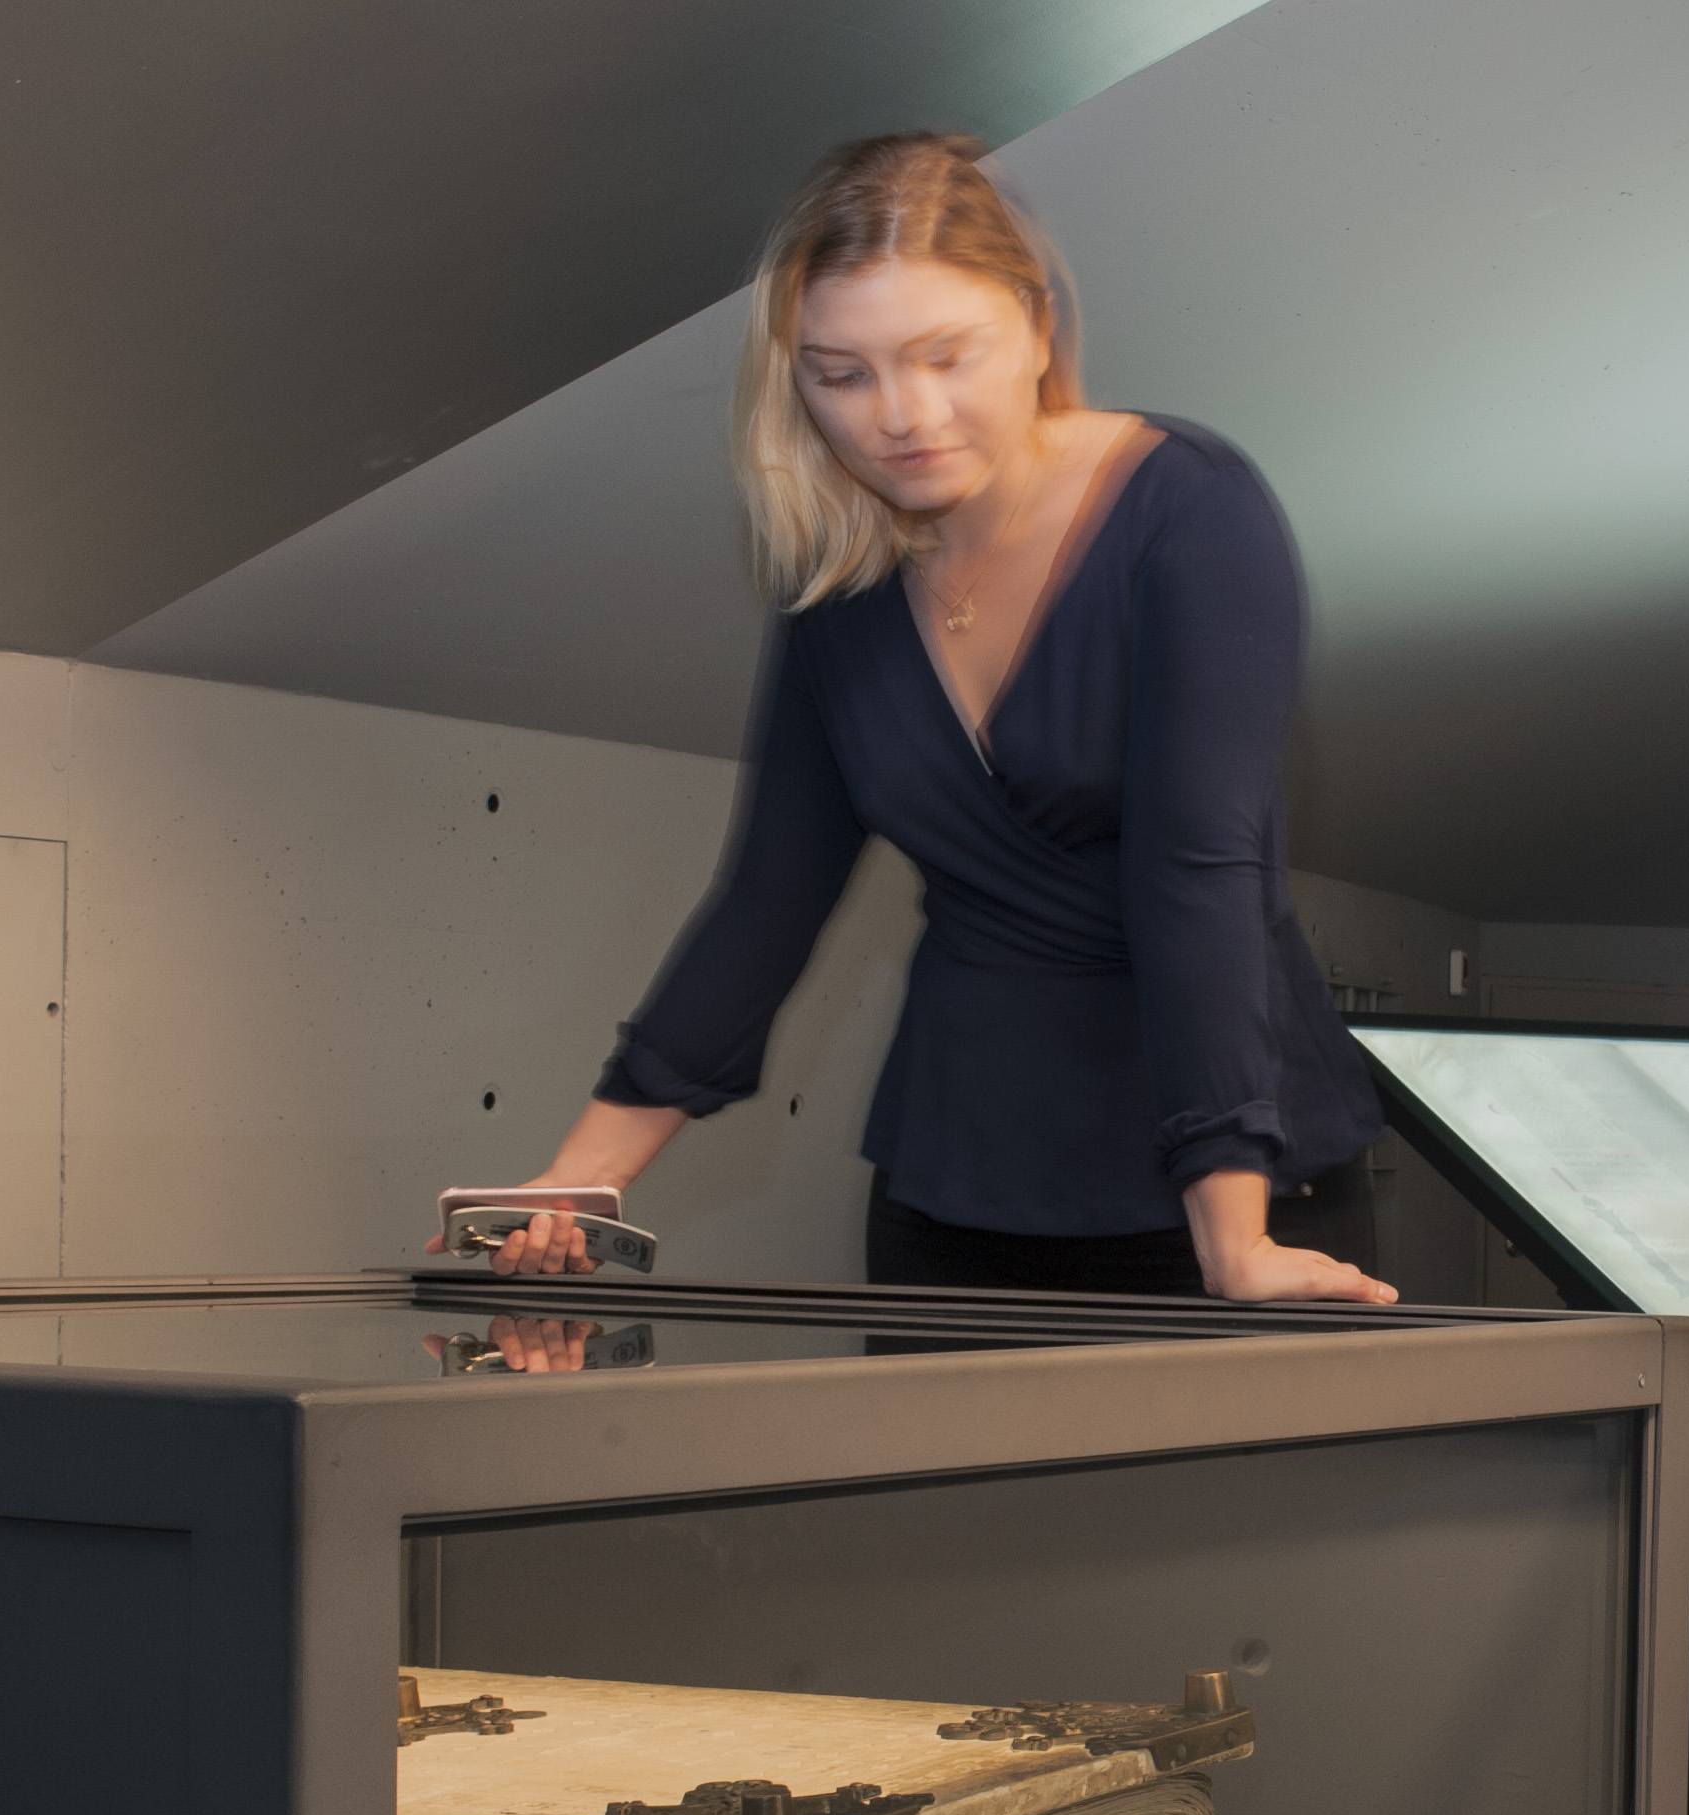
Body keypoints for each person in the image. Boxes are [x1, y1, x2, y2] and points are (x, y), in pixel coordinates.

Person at [471, 133, 1395, 1305]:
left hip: (1227, 1187)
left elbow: (1199, 866)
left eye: (943, 355)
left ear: (1036, 326)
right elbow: (766, 902)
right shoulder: (841, 588)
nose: (900, 414)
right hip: (952, 1189)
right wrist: (573, 1183)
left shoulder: (1189, 512)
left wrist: (1232, 1240)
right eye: (839, 373)